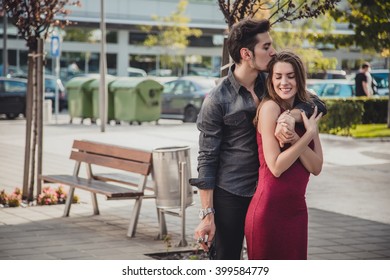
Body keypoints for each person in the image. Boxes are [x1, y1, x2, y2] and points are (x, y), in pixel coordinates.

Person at [190, 19, 327, 260]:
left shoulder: (273, 83)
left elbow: (317, 104)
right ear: (246, 54)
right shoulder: (217, 99)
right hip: (231, 193)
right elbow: (207, 159)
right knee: (227, 261)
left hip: (269, 192)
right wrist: (207, 214)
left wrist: (289, 116)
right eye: (266, 47)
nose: (272, 51)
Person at [245, 51, 323, 260]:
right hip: (269, 212)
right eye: (278, 76)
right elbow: (277, 167)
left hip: (297, 211)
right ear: (271, 79)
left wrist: (298, 139)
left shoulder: (306, 110)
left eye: (290, 76)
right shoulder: (270, 108)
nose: (284, 82)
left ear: (299, 78)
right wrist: (309, 135)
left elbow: (316, 167)